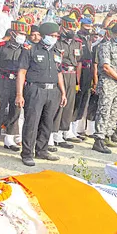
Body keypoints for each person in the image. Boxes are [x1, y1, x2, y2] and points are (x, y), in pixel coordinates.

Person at [15, 22, 66, 166]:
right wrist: (19, 94)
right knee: (32, 122)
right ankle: (27, 153)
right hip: (35, 90)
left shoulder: (57, 52)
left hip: (53, 91)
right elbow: (22, 72)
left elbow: (59, 73)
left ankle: (42, 150)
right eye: (52, 35)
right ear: (43, 35)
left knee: (47, 122)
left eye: (56, 36)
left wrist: (63, 92)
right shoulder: (30, 50)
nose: (54, 38)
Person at [0, 16, 30, 154]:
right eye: (20, 33)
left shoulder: (26, 49)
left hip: (17, 82)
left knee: (15, 110)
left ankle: (9, 139)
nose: (22, 37)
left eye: (24, 34)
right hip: (2, 80)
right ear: (12, 32)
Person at [92, 23, 117, 152]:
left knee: (115, 110)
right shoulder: (105, 46)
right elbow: (106, 67)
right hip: (109, 83)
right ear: (113, 34)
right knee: (104, 110)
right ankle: (99, 139)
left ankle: (108, 135)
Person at [51, 15, 82, 149]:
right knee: (59, 104)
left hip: (72, 74)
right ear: (63, 27)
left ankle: (64, 131)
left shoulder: (77, 42)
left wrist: (77, 81)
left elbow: (79, 62)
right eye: (70, 27)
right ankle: (54, 134)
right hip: (60, 73)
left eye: (74, 27)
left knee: (69, 105)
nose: (72, 30)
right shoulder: (56, 42)